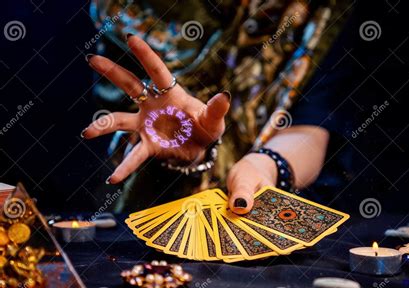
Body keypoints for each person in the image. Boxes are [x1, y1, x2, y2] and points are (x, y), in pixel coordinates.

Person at [81, 0, 350, 214]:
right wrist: (185, 142)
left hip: (272, 219)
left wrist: (264, 167)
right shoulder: (137, 8)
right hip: (151, 211)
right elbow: (135, 119)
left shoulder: (321, 12)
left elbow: (313, 122)